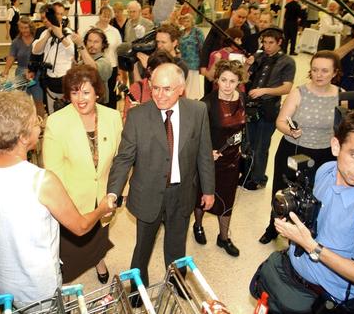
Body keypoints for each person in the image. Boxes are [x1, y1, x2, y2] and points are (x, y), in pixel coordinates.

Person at [250, 108, 354, 314]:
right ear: (336, 146)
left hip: (324, 303)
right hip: (288, 279)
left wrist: (312, 247)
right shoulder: (326, 170)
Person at [0, 91, 116, 309]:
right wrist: (101, 208)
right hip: (34, 286)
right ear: (22, 136)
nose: (40, 124)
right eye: (35, 121)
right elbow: (80, 227)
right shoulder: (41, 181)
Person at [107, 63, 215, 291]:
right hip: (147, 194)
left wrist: (208, 189)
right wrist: (113, 191)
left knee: (177, 245)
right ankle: (137, 287)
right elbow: (124, 158)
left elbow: (204, 153)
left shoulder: (198, 111)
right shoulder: (137, 116)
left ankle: (176, 284)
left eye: (166, 89)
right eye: (155, 88)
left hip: (182, 192)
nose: (159, 94)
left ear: (180, 89)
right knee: (142, 247)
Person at [42, 65, 123, 284]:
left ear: (98, 91)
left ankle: (98, 259)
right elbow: (52, 171)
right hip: (72, 199)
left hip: (104, 195)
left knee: (99, 235)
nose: (80, 99)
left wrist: (116, 190)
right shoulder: (56, 122)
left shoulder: (113, 117)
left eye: (86, 92)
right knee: (71, 249)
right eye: (74, 92)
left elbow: (119, 160)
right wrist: (65, 203)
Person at [260, 50, 345, 244]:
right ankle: (273, 227)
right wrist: (290, 131)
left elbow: (343, 127)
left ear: (334, 72)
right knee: (283, 193)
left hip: (325, 154)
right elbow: (280, 121)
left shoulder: (341, 95)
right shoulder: (299, 92)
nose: (319, 75)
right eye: (315, 70)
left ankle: (303, 234)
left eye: (325, 71)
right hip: (294, 150)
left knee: (313, 196)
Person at [192, 60, 246, 257]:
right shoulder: (205, 104)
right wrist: (205, 153)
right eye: (223, 80)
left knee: (228, 199)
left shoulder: (242, 99)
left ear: (239, 81)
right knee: (202, 197)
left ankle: (224, 238)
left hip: (232, 160)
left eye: (232, 81)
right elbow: (193, 135)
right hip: (210, 161)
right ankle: (197, 225)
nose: (227, 85)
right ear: (217, 80)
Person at [244, 27, 296, 191]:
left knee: (261, 146)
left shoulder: (287, 62)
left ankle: (259, 178)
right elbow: (244, 79)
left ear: (279, 42)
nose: (267, 46)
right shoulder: (258, 57)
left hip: (269, 108)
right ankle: (247, 175)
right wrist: (246, 65)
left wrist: (264, 90)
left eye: (271, 43)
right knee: (248, 144)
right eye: (264, 42)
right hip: (250, 107)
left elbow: (287, 88)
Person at [31, 2, 75, 114]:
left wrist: (60, 35)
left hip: (64, 80)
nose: (46, 20)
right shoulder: (44, 33)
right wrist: (48, 35)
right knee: (52, 112)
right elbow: (36, 50)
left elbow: (72, 52)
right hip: (49, 79)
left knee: (66, 112)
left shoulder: (67, 32)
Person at [200, 5, 251, 95]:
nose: (241, 20)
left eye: (244, 18)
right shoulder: (219, 24)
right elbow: (207, 45)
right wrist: (203, 67)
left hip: (235, 68)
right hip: (214, 63)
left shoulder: (246, 29)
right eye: (239, 16)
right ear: (233, 13)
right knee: (209, 93)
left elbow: (246, 48)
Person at [3, 16, 45, 117]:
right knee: (22, 103)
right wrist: (6, 70)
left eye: (26, 28)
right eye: (21, 28)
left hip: (36, 73)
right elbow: (11, 56)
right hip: (21, 73)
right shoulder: (16, 42)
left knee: (38, 101)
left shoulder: (37, 39)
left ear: (30, 27)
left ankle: (42, 124)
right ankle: (24, 125)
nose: (24, 30)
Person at [123, 50, 175, 120]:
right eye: (160, 72)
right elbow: (125, 122)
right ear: (150, 70)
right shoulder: (137, 89)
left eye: (168, 72)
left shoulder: (176, 87)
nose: (164, 76)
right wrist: (133, 115)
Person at [71, 28, 113, 104]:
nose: (92, 45)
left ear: (103, 45)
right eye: (89, 41)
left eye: (96, 42)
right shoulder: (82, 62)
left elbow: (93, 69)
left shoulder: (105, 62)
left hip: (98, 105)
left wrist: (80, 45)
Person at [94, 6, 123, 109]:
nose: (106, 19)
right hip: (95, 67)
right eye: (104, 16)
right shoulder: (92, 30)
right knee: (97, 93)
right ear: (99, 15)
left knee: (111, 95)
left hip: (112, 67)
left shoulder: (114, 32)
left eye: (108, 16)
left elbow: (118, 52)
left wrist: (119, 72)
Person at [178, 13, 205, 99]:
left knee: (192, 83)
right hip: (183, 61)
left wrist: (203, 63)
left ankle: (193, 99)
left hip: (194, 62)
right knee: (184, 82)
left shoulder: (197, 32)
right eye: (184, 21)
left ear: (192, 21)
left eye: (188, 21)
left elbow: (202, 46)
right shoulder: (181, 32)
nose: (186, 23)